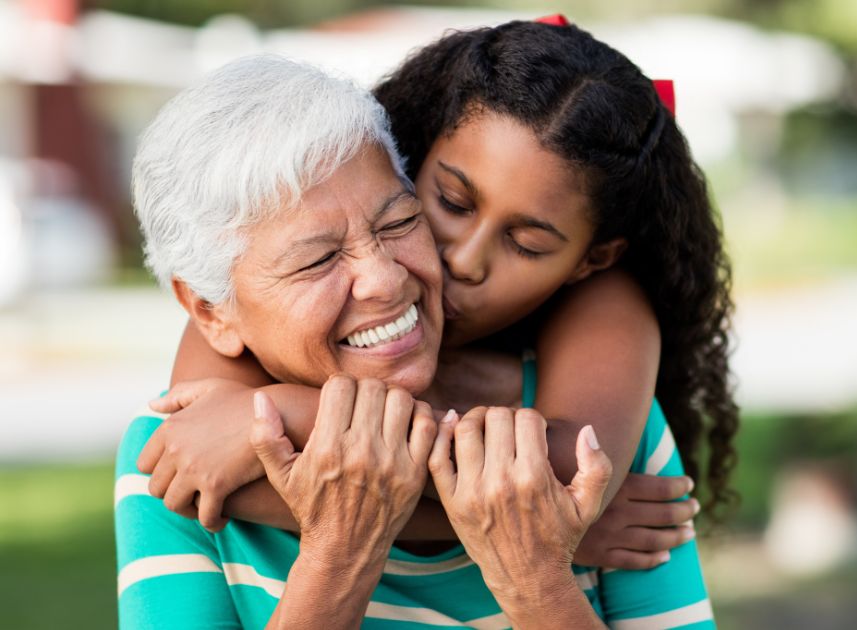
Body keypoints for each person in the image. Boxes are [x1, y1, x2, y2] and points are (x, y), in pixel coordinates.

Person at [134, 17, 737, 628]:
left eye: (527, 242)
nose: (464, 260)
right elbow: (200, 455)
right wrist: (546, 526)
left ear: (588, 261)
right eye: (449, 203)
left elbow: (572, 474)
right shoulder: (188, 420)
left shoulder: (609, 348)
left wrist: (293, 416)